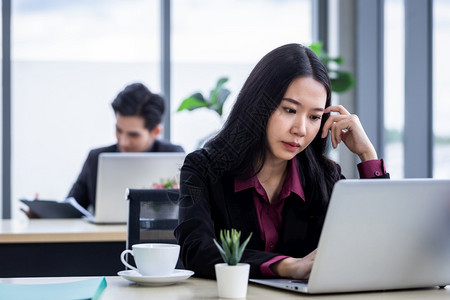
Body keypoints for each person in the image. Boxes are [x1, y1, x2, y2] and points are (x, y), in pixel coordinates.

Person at [174, 44, 389, 280]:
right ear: (258, 106)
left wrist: (367, 155)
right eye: (289, 110)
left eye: (315, 117)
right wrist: (285, 266)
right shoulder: (203, 169)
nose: (301, 129)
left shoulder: (325, 177)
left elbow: (376, 244)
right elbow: (197, 251)